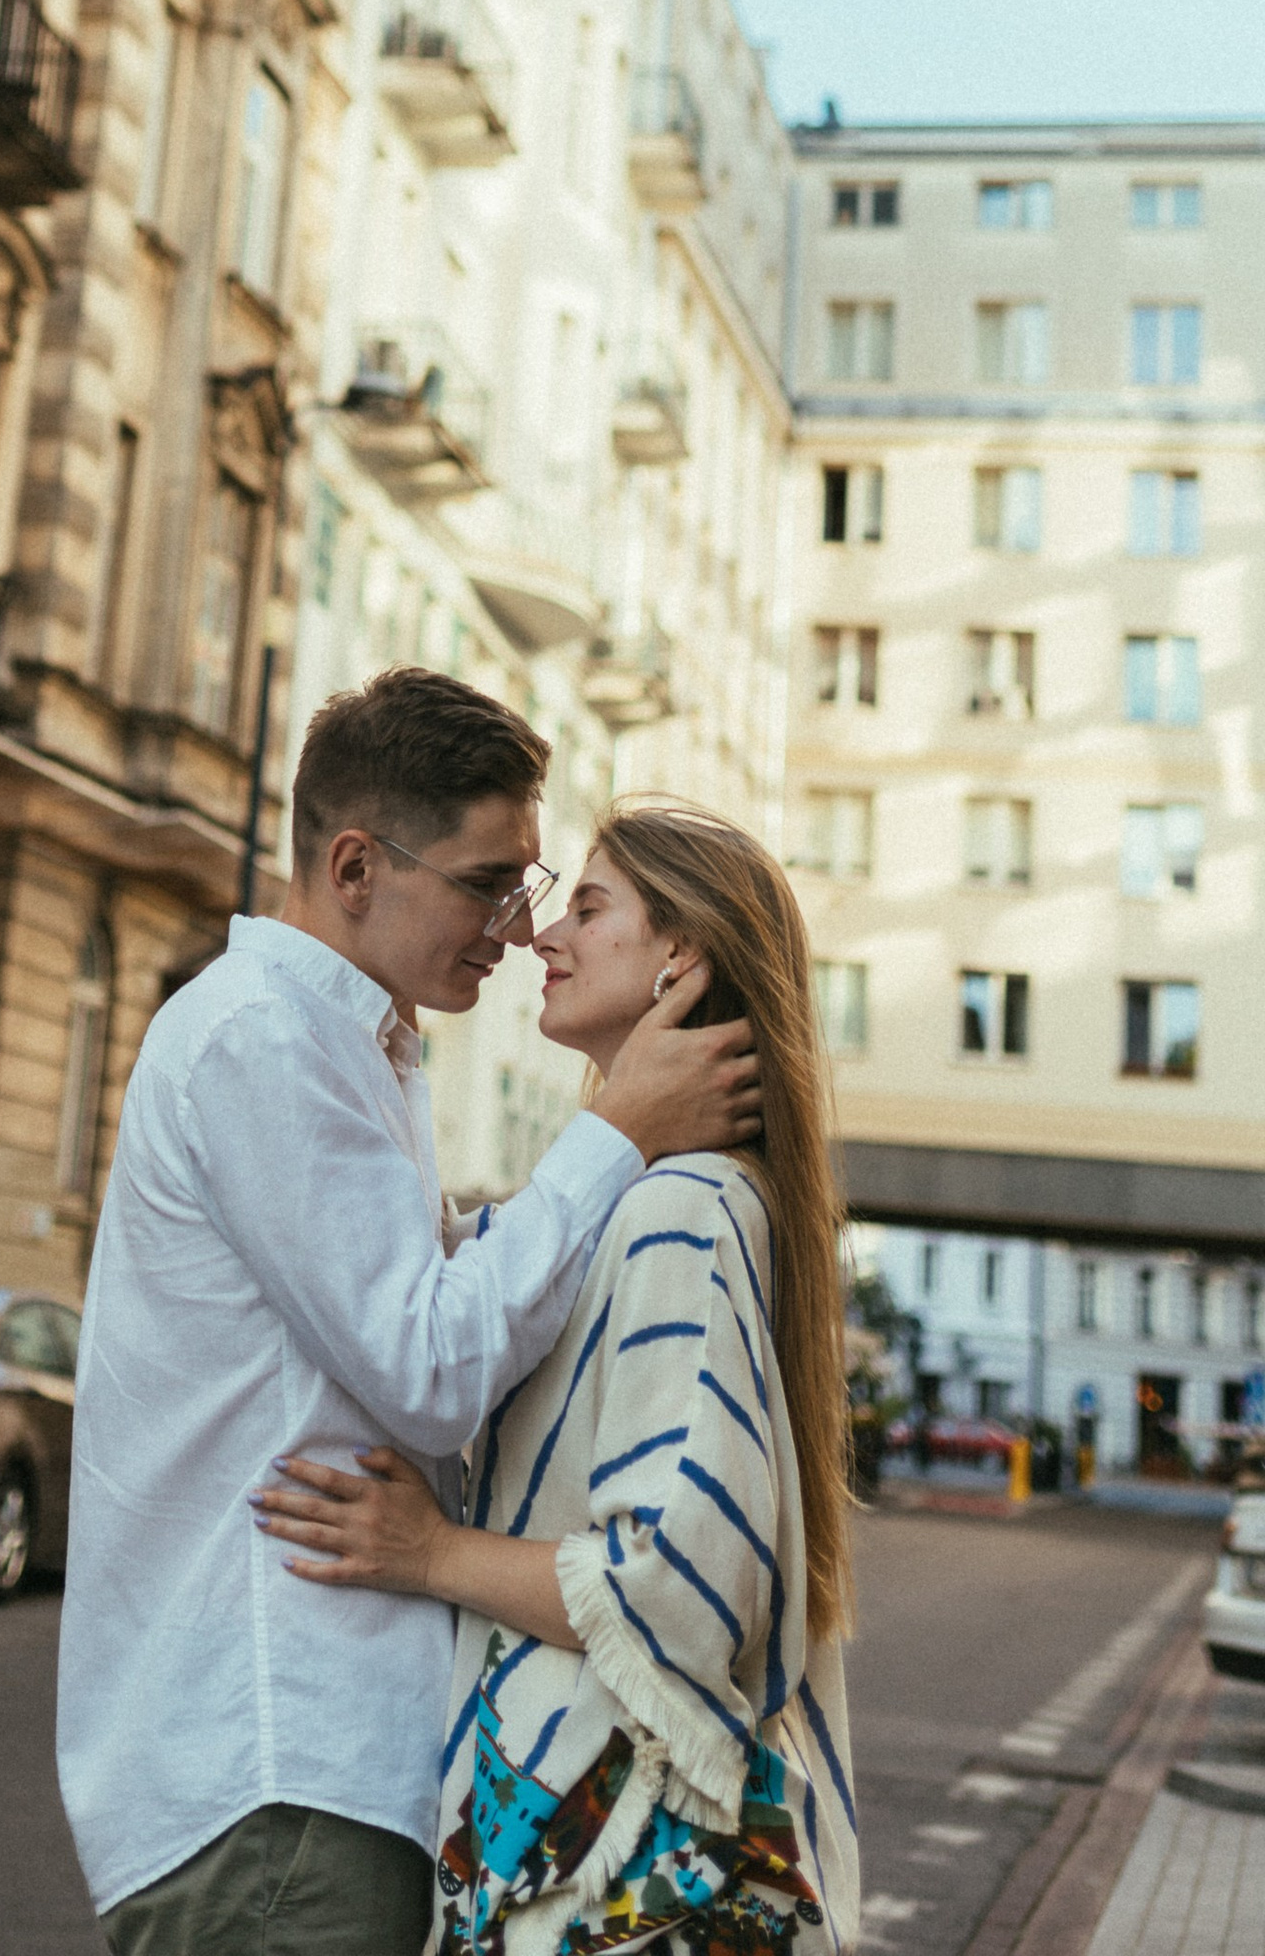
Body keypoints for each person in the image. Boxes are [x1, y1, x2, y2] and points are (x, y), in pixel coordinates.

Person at [59, 674, 763, 1956]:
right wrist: (613, 1131)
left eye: (536, 888)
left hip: (315, 1775)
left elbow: (438, 1317)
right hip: (276, 1773)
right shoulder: (262, 1041)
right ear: (354, 867)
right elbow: (430, 1368)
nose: (516, 926)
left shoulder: (352, 1048)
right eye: (489, 883)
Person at [253, 803, 858, 1956]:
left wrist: (429, 1552)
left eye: (587, 907)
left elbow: (680, 1583)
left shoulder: (684, 1211)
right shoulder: (642, 1200)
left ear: (680, 956)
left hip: (604, 1867)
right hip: (575, 1851)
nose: (542, 935)